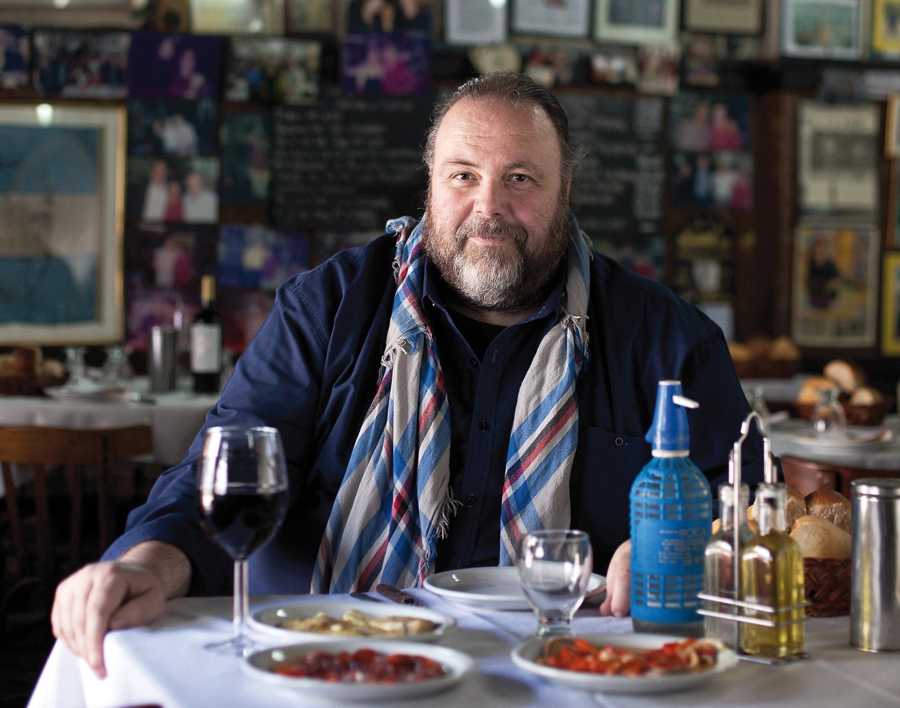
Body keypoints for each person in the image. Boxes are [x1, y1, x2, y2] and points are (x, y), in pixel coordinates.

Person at [52, 73, 763, 679]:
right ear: (430, 184)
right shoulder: (326, 307)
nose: (488, 208)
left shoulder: (669, 338)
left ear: (565, 187)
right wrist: (148, 563)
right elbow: (227, 465)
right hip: (332, 670)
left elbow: (751, 506)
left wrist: (694, 549)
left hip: (574, 678)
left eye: (520, 179)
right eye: (463, 176)